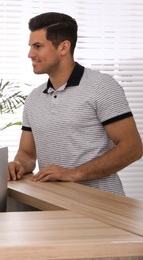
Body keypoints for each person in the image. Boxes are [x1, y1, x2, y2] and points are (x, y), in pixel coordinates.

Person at [8, 12, 142, 195]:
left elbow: (132, 148)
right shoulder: (34, 98)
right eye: (31, 46)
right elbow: (27, 154)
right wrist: (18, 165)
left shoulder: (102, 86)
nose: (30, 54)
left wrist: (74, 174)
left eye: (38, 46)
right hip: (53, 204)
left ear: (63, 47)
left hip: (103, 206)